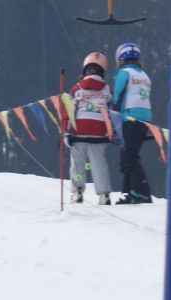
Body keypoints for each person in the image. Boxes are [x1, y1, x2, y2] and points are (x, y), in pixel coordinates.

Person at [66, 52, 113, 205]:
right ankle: (104, 194)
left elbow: (70, 110)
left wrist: (67, 132)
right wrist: (112, 131)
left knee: (79, 164)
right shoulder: (107, 90)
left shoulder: (77, 88)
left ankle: (77, 191)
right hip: (99, 132)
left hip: (79, 129)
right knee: (99, 164)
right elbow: (112, 111)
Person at [112, 42, 153, 204]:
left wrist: (113, 122)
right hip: (144, 119)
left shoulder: (124, 73)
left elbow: (118, 98)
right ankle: (130, 192)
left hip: (129, 118)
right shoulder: (144, 75)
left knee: (129, 158)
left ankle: (142, 193)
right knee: (129, 155)